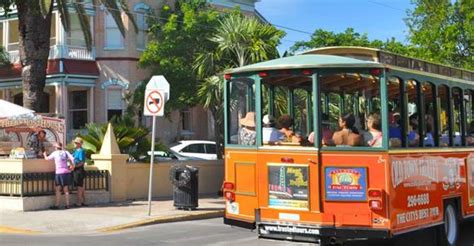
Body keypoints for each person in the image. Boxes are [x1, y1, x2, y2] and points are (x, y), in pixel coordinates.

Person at [43, 142, 75, 209]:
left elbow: (47, 159)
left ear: (56, 147)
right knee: (66, 189)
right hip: (66, 172)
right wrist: (73, 166)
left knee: (58, 189)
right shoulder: (66, 152)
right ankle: (67, 205)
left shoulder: (55, 153)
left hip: (59, 173)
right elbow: (72, 158)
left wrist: (45, 154)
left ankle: (57, 205)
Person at [72, 137, 87, 207]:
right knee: (81, 186)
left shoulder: (80, 151)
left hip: (79, 170)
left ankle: (79, 202)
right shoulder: (76, 151)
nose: (76, 144)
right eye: (75, 143)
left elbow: (82, 162)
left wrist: (75, 166)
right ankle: (84, 201)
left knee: (79, 187)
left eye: (77, 143)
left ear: (80, 144)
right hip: (77, 169)